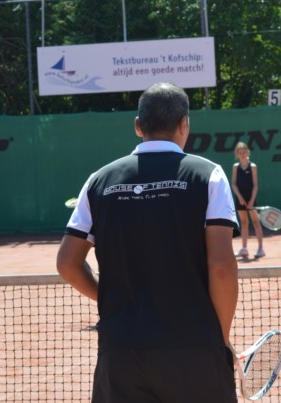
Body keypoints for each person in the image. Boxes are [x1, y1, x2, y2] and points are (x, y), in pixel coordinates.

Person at [56, 82, 240, 402]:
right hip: (194, 348)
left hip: (120, 351)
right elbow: (222, 267)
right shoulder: (209, 175)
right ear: (185, 124)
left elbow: (67, 264)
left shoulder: (98, 180)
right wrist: (219, 337)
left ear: (138, 126)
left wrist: (116, 299)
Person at [231, 142, 265, 259]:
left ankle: (260, 249)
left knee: (256, 222)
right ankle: (244, 249)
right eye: (240, 152)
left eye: (244, 151)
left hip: (251, 198)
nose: (242, 154)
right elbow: (234, 184)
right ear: (237, 154)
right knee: (244, 223)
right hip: (240, 198)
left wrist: (251, 200)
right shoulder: (235, 167)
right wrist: (239, 197)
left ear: (248, 152)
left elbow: (255, 185)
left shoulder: (253, 166)